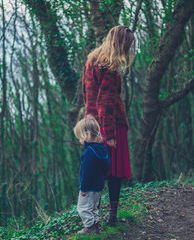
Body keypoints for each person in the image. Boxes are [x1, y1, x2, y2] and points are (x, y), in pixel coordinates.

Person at [82, 25, 135, 226]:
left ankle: (92, 218)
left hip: (94, 125)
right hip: (110, 124)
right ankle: (111, 216)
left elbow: (87, 97)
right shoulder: (110, 66)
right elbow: (104, 100)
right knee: (114, 172)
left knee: (95, 172)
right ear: (120, 43)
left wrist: (89, 126)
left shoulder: (91, 61)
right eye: (127, 45)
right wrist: (110, 134)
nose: (129, 49)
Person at [74, 115, 110, 236]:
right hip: (99, 185)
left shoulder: (89, 152)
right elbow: (107, 165)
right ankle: (95, 226)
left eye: (80, 137)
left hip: (89, 187)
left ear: (87, 134)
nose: (79, 140)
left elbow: (86, 172)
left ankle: (89, 227)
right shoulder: (102, 148)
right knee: (93, 207)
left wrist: (83, 188)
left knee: (83, 208)